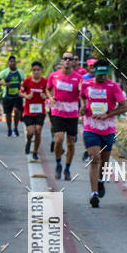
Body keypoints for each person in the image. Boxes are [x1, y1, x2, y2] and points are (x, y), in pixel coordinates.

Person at [79, 59, 127, 207]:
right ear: (95, 71)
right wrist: (83, 107)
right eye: (98, 74)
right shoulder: (87, 84)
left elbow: (124, 107)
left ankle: (100, 181)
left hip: (107, 128)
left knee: (104, 162)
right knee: (95, 158)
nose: (101, 77)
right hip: (90, 126)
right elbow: (82, 96)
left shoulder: (113, 87)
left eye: (104, 74)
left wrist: (107, 114)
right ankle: (94, 194)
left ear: (107, 72)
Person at [46, 51, 82, 180]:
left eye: (70, 59)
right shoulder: (54, 76)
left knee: (71, 143)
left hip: (72, 113)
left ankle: (67, 168)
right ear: (61, 61)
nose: (67, 61)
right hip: (57, 111)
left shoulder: (78, 78)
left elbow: (82, 94)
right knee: (59, 139)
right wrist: (51, 98)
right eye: (65, 58)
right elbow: (48, 89)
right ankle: (58, 164)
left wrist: (82, 99)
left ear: (73, 62)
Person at [20, 61, 48, 159]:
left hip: (40, 111)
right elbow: (20, 92)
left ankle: (35, 151)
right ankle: (28, 142)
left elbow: (49, 94)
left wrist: (45, 96)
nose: (36, 72)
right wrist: (26, 96)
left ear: (41, 71)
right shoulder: (27, 81)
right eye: (34, 70)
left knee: (38, 131)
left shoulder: (45, 82)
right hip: (28, 111)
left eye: (38, 70)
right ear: (32, 71)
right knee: (31, 132)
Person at [0, 55, 25, 136]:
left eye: (14, 61)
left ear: (15, 63)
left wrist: (22, 87)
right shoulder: (5, 72)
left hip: (18, 96)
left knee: (17, 111)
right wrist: (3, 83)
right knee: (8, 114)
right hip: (7, 96)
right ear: (8, 63)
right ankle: (9, 129)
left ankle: (15, 128)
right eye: (10, 61)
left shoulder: (20, 72)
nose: (12, 63)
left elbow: (25, 82)